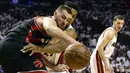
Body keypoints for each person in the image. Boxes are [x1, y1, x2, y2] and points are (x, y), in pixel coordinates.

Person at [0, 1, 80, 73]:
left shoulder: (70, 31)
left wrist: (39, 49)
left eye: (72, 17)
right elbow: (49, 28)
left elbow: (58, 47)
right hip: (19, 50)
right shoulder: (49, 20)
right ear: (57, 12)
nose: (65, 21)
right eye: (64, 16)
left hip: (40, 60)